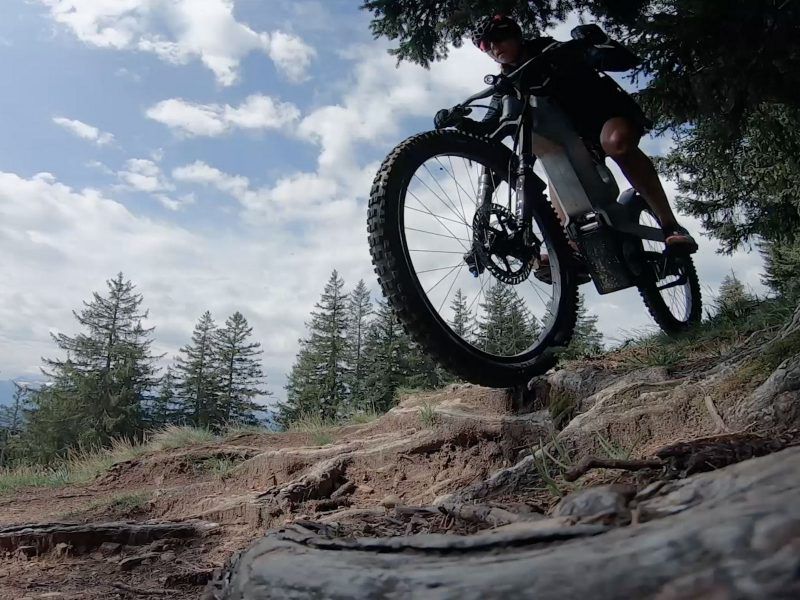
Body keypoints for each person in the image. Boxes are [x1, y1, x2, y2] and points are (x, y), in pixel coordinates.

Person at [436, 15, 698, 256]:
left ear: (515, 35)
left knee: (616, 144)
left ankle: (671, 226)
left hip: (606, 114)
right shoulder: (506, 84)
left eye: (498, 38)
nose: (493, 47)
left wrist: (598, 41)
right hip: (572, 140)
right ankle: (573, 257)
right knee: (560, 186)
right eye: (484, 46)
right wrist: (461, 122)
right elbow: (490, 128)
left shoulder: (556, 50)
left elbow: (624, 61)